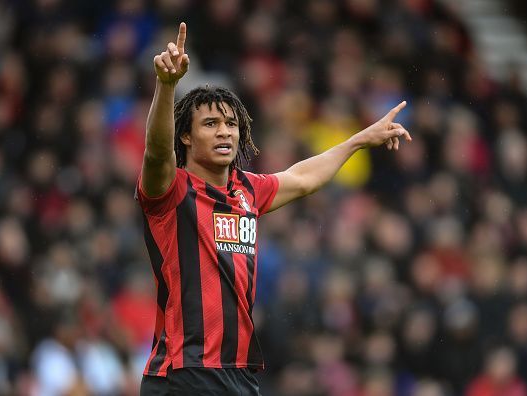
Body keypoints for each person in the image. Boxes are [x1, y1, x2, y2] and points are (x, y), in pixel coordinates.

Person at [136, 22, 412, 395]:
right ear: (186, 135)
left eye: (231, 124)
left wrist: (360, 140)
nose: (225, 132)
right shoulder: (172, 190)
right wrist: (167, 86)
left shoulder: (247, 189)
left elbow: (304, 178)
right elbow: (155, 153)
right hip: (185, 372)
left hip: (239, 374)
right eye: (211, 124)